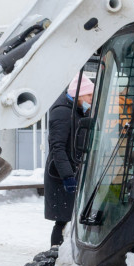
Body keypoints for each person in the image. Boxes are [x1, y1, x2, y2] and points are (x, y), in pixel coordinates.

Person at [44, 74, 94, 247]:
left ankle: (64, 253)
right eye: (89, 95)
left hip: (71, 172)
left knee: (69, 219)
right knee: (62, 220)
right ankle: (55, 254)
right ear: (78, 94)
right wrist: (67, 176)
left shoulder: (76, 110)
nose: (91, 99)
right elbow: (57, 147)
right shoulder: (62, 112)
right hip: (61, 177)